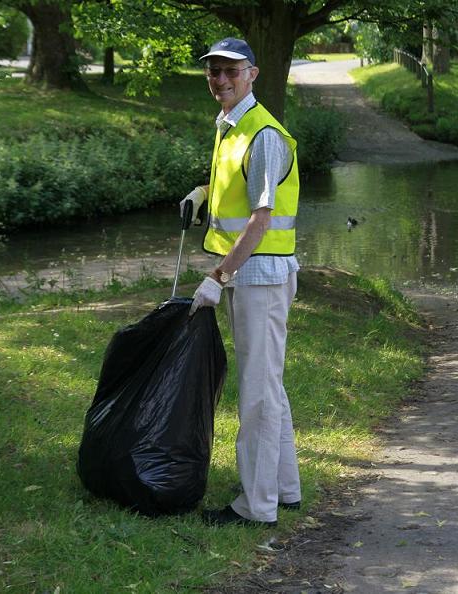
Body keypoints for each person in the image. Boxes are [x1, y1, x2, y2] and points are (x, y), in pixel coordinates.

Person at [181, 37, 301, 527]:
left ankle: (256, 507)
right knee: (267, 384)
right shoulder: (231, 125)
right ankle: (285, 490)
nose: (222, 80)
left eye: (231, 71)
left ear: (253, 73)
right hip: (249, 276)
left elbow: (260, 220)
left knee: (258, 392)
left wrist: (217, 275)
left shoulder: (263, 134)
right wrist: (205, 191)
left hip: (260, 278)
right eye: (214, 72)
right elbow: (240, 187)